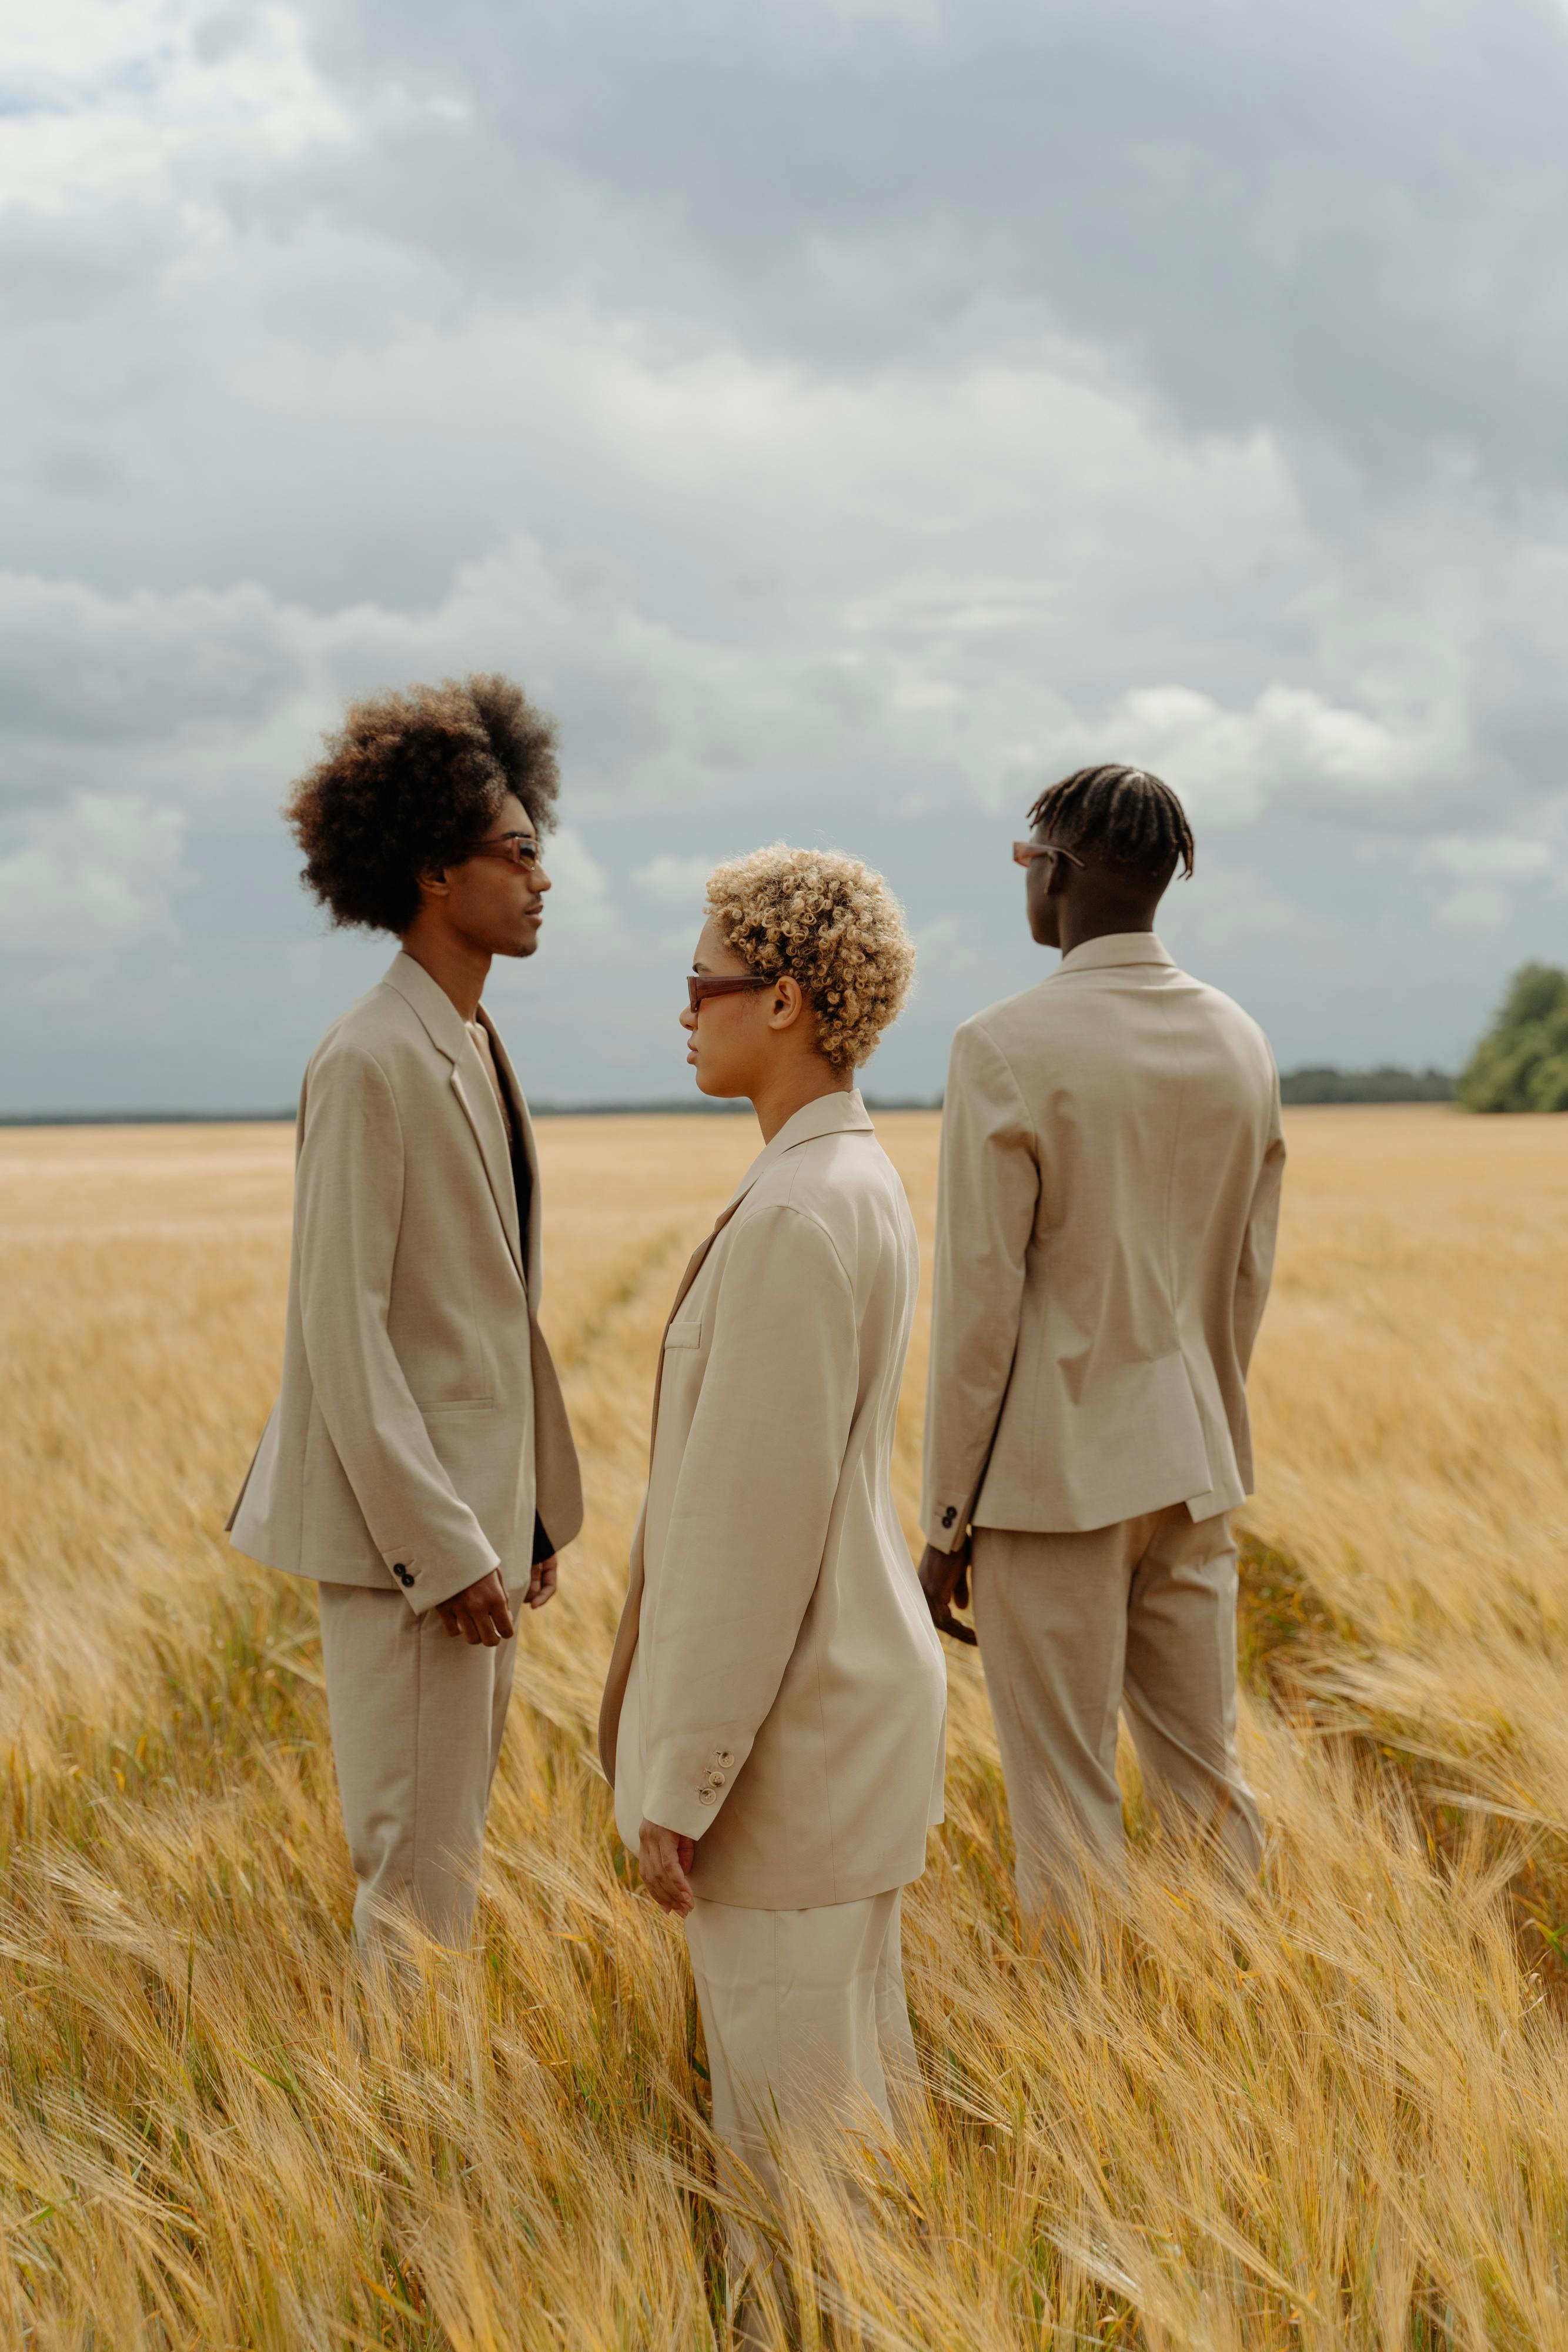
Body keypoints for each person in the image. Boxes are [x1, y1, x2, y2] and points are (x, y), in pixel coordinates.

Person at [599, 844, 947, 2218]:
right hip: (842, 1719)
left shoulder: (798, 1211)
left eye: (703, 980)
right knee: (851, 2145)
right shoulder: (847, 1178)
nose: (683, 1008)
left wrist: (679, 1784)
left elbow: (749, 1541)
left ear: (788, 1001)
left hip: (791, 1755)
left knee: (799, 2184)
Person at [228, 674, 583, 1951]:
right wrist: (444, 1543)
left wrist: (526, 1508)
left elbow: (480, 1314)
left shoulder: (472, 1042)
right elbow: (346, 1328)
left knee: (443, 1867)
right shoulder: (372, 1055)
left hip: (473, 1533)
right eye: (519, 851)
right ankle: (408, 2135)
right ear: (436, 870)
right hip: (412, 1550)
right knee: (415, 1886)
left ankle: (429, 2120)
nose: (543, 878)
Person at [918, 764, 1283, 1919]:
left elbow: (978, 1309)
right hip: (1191, 1464)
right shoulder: (1238, 1039)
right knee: (1205, 1784)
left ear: (1063, 872)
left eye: (1027, 858)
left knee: (1066, 1806)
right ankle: (1237, 2020)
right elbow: (1242, 1279)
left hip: (1047, 1485)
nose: (1022, 880)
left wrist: (942, 1524)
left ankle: (1088, 2049)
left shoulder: (1001, 1045)